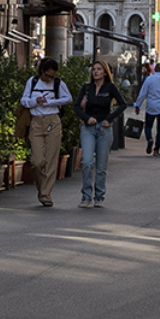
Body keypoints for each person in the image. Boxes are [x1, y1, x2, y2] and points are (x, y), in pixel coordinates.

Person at [19, 58, 74, 209]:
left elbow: (68, 98)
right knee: (37, 161)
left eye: (52, 76)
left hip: (53, 120)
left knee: (51, 159)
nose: (49, 79)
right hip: (36, 121)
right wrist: (35, 101)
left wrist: (50, 102)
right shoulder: (33, 81)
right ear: (41, 71)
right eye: (47, 76)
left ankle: (45, 194)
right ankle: (42, 189)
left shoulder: (58, 83)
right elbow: (24, 100)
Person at [74, 61, 127, 207]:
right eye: (93, 70)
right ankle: (86, 196)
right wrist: (86, 118)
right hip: (88, 128)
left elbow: (123, 104)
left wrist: (109, 119)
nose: (95, 72)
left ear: (105, 72)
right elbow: (76, 107)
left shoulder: (110, 88)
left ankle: (99, 196)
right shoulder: (86, 88)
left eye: (99, 69)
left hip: (104, 129)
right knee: (87, 161)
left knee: (101, 166)